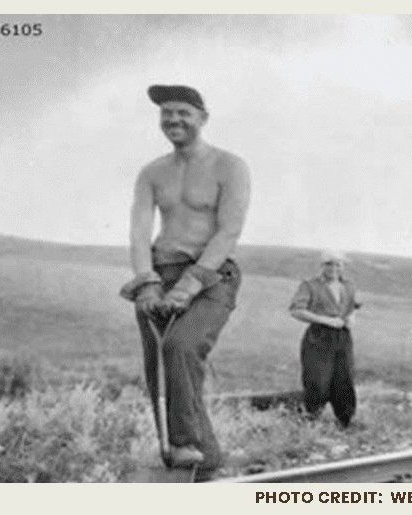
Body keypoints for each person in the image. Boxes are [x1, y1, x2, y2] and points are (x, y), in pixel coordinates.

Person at [120, 85, 250, 478]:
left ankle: (185, 446)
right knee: (160, 364)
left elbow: (228, 231)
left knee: (180, 347)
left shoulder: (230, 166)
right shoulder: (152, 173)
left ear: (203, 117)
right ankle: (199, 461)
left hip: (211, 276)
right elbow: (139, 233)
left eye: (183, 113)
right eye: (166, 114)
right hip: (160, 275)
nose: (173, 120)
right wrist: (147, 284)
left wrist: (188, 286)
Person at [289, 250, 361, 427]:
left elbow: (353, 306)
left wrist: (351, 317)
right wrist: (326, 320)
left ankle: (345, 422)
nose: (334, 268)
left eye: (338, 264)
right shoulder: (310, 285)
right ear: (322, 266)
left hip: (343, 337)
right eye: (329, 264)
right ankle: (310, 421)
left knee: (344, 379)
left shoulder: (348, 285)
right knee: (317, 380)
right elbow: (296, 310)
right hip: (318, 337)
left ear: (343, 267)